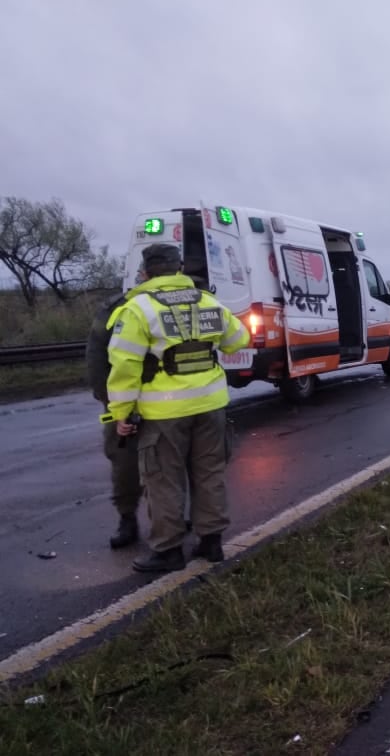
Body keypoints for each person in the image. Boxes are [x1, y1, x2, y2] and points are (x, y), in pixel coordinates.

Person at [106, 243, 250, 573]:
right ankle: (211, 543)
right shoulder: (207, 301)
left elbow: (124, 366)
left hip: (164, 414)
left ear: (145, 272)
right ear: (179, 268)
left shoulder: (138, 309)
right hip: (212, 405)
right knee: (210, 473)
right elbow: (239, 340)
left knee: (163, 480)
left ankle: (168, 550)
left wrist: (122, 413)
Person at [86, 267, 146, 549]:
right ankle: (127, 519)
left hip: (165, 402)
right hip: (125, 403)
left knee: (171, 465)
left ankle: (171, 519)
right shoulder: (116, 310)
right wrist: (110, 402)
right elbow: (97, 358)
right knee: (125, 465)